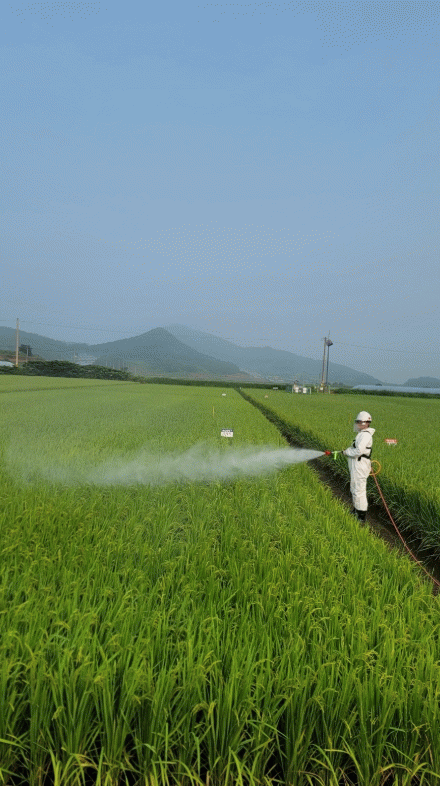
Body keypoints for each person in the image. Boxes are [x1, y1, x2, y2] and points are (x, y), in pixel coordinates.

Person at [341, 411, 375, 522]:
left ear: (365, 423)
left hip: (360, 466)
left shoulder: (365, 435)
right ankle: (356, 510)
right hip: (358, 465)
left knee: (359, 490)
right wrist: (347, 451)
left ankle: (361, 516)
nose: (357, 424)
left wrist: (347, 452)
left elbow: (358, 451)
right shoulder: (362, 434)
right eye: (357, 422)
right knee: (355, 488)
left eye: (359, 422)